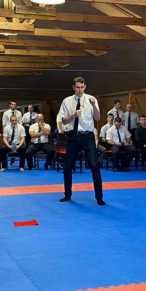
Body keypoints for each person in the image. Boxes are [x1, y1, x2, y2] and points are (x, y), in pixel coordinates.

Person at [57, 76, 105, 205]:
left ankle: (99, 197)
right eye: (77, 87)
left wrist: (94, 105)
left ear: (85, 87)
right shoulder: (67, 101)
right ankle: (67, 194)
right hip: (73, 136)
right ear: (73, 87)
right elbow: (63, 120)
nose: (80, 90)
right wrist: (73, 115)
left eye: (82, 87)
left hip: (88, 136)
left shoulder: (91, 99)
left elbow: (97, 117)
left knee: (94, 165)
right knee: (67, 166)